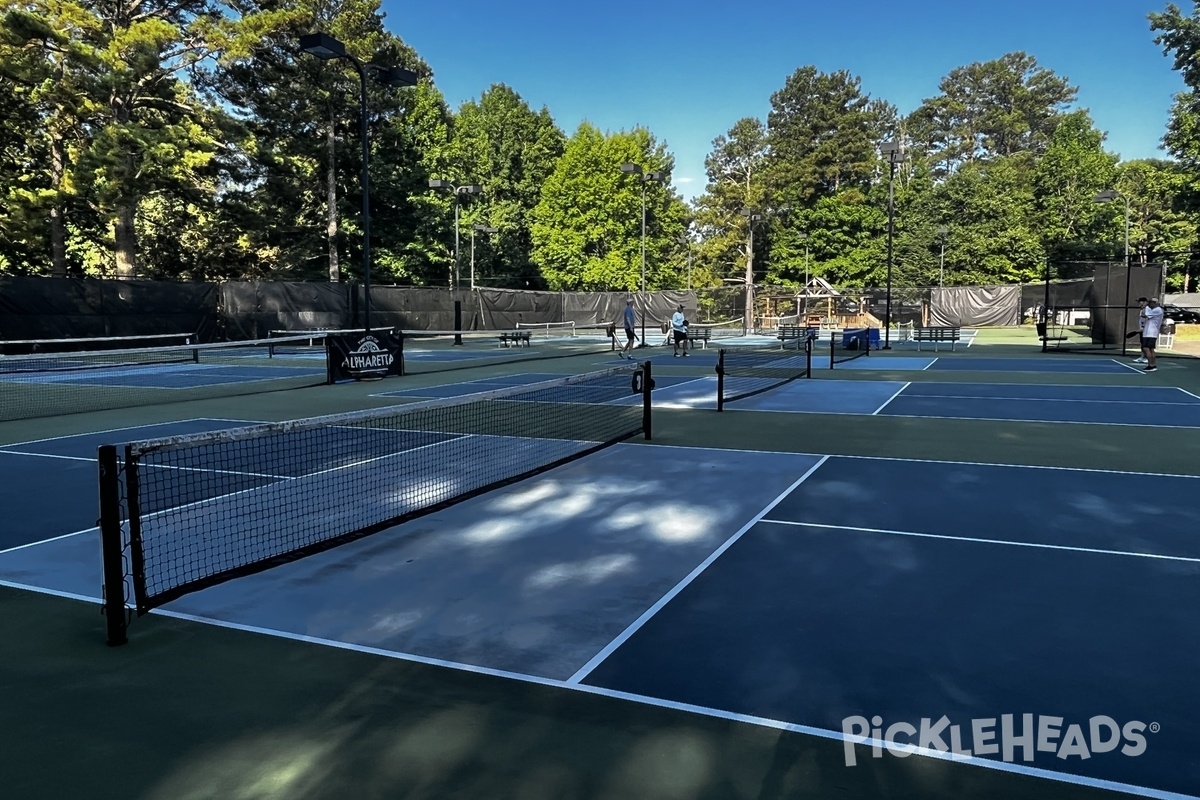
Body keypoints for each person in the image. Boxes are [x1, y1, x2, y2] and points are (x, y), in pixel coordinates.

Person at [1141, 297, 1164, 372]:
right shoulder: (1152, 310)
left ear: (1155, 303)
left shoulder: (1158, 310)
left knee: (1146, 348)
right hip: (1148, 332)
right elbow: (1143, 316)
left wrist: (1145, 306)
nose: (1149, 303)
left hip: (1151, 332)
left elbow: (1145, 314)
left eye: (1151, 302)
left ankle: (1151, 365)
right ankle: (1152, 365)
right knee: (1149, 349)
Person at [1131, 297, 1148, 363]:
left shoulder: (1147, 310)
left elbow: (1147, 319)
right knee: (1142, 344)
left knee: (1145, 345)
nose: (1139, 303)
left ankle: (1147, 358)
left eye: (1140, 302)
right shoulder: (1142, 310)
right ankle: (1142, 357)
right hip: (1142, 330)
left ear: (1145, 302)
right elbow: (1141, 320)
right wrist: (1140, 328)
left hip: (1146, 331)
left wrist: (1144, 328)